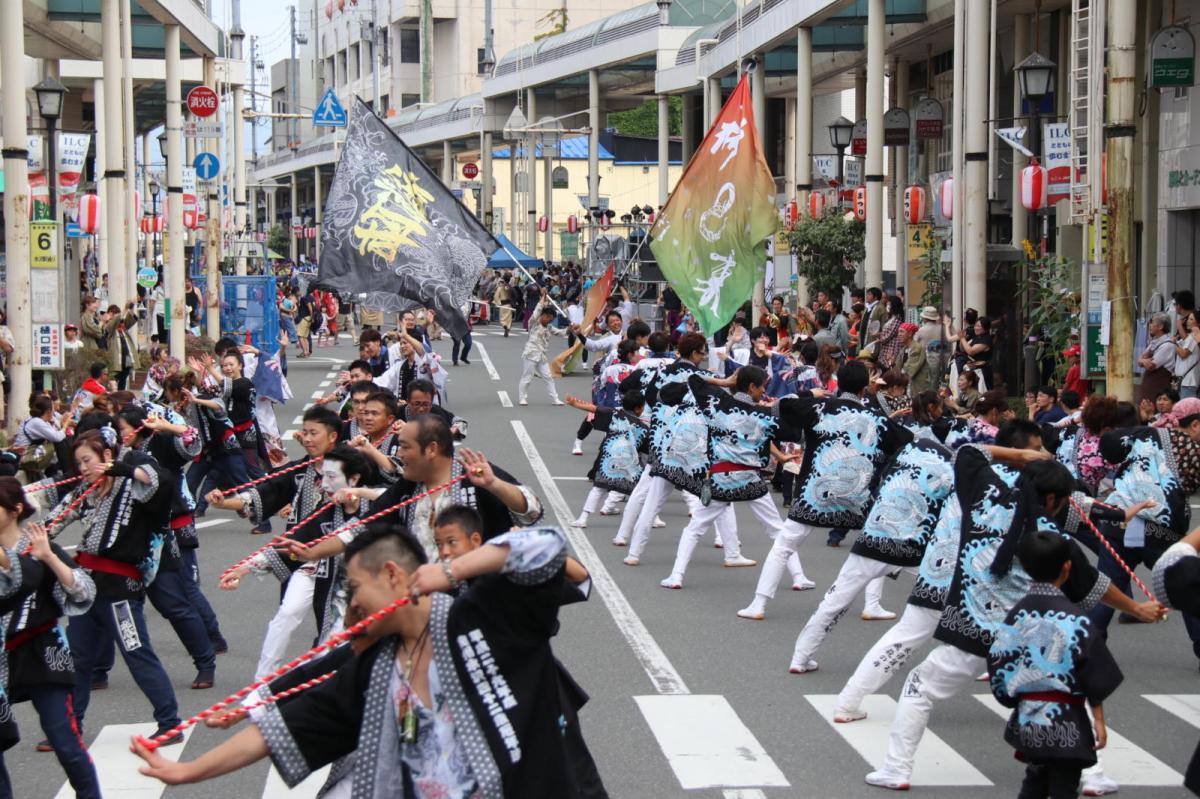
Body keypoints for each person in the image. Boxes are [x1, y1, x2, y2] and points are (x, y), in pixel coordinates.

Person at [132, 524, 598, 798]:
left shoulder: (486, 614)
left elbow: (548, 545)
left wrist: (453, 569)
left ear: (393, 575)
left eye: (355, 591)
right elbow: (289, 726)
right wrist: (188, 771)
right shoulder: (374, 668)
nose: (350, 606)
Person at [864, 449, 1163, 791]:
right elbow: (1095, 585)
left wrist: (1022, 455)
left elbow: (968, 452)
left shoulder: (985, 496)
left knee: (919, 687)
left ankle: (897, 769)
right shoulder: (1054, 539)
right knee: (1062, 694)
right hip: (1033, 635)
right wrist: (1137, 609)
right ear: (1052, 499)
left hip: (973, 628)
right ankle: (1092, 775)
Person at [739, 361, 911, 626]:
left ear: (837, 383)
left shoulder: (818, 407)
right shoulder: (875, 418)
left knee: (783, 546)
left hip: (813, 494)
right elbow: (905, 443)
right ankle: (872, 605)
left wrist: (811, 394)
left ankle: (758, 603)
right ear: (865, 387)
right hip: (856, 497)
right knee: (876, 546)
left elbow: (780, 406)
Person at [42, 430, 183, 745]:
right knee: (76, 659)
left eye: (87, 460)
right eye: (78, 463)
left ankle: (170, 722)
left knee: (137, 652)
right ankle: (70, 726)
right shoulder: (86, 491)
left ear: (106, 455)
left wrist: (122, 469)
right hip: (87, 588)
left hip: (120, 589)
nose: (82, 468)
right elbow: (52, 523)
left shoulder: (132, 485)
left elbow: (161, 480)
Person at [988, 529, 1123, 799]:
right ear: (1067, 567)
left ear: (1025, 567)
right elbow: (1094, 673)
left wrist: (1016, 699)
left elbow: (999, 662)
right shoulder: (1076, 619)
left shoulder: (1016, 615)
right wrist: (1098, 720)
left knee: (1035, 779)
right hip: (1068, 719)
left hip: (1030, 717)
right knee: (1063, 787)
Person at [0, 480, 98, 796]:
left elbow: (84, 592)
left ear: (16, 510)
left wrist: (50, 558)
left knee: (64, 741)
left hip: (42, 651)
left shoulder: (39, 545)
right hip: (2, 656)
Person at [566, 390, 649, 528]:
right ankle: (651, 518)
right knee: (640, 492)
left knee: (598, 489)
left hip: (607, 460)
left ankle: (583, 518)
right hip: (629, 464)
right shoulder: (643, 427)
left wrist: (574, 403)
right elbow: (647, 450)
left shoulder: (614, 414)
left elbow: (593, 408)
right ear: (638, 408)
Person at [518, 296, 567, 407]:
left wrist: (570, 329)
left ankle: (555, 398)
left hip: (542, 356)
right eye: (549, 318)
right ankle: (522, 398)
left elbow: (561, 333)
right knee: (527, 377)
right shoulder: (533, 323)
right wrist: (543, 296)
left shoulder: (549, 327)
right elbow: (537, 310)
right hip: (531, 353)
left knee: (548, 376)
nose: (550, 321)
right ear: (544, 315)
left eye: (552, 320)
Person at [1138, 313, 1176, 403]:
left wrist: (1142, 360)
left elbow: (1150, 366)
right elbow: (1140, 360)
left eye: (1152, 322)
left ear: (1160, 326)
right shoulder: (1154, 342)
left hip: (1159, 387)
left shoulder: (1167, 345)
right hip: (1149, 385)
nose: (1150, 325)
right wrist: (1142, 360)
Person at [103, 302, 139, 391]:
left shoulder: (122, 326)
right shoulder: (107, 325)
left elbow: (131, 320)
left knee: (124, 376)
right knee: (114, 377)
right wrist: (124, 310)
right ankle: (114, 394)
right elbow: (112, 325)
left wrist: (130, 308)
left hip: (126, 355)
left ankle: (121, 394)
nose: (117, 316)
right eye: (114, 313)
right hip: (116, 357)